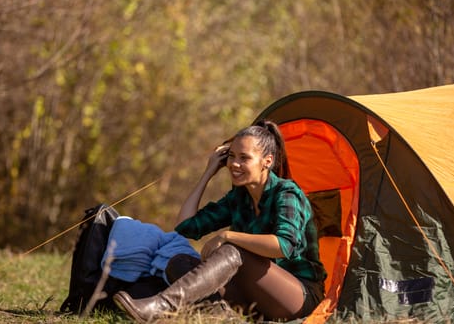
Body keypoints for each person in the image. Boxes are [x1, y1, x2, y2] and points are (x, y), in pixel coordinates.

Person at [113, 120, 327, 322]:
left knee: (234, 249)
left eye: (244, 158)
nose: (234, 164)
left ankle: (163, 305)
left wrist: (227, 236)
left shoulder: (287, 193)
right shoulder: (239, 197)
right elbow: (186, 226)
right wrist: (207, 174)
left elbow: (283, 246)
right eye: (231, 156)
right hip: (253, 295)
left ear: (267, 161)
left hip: (298, 296)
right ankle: (227, 318)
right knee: (179, 263)